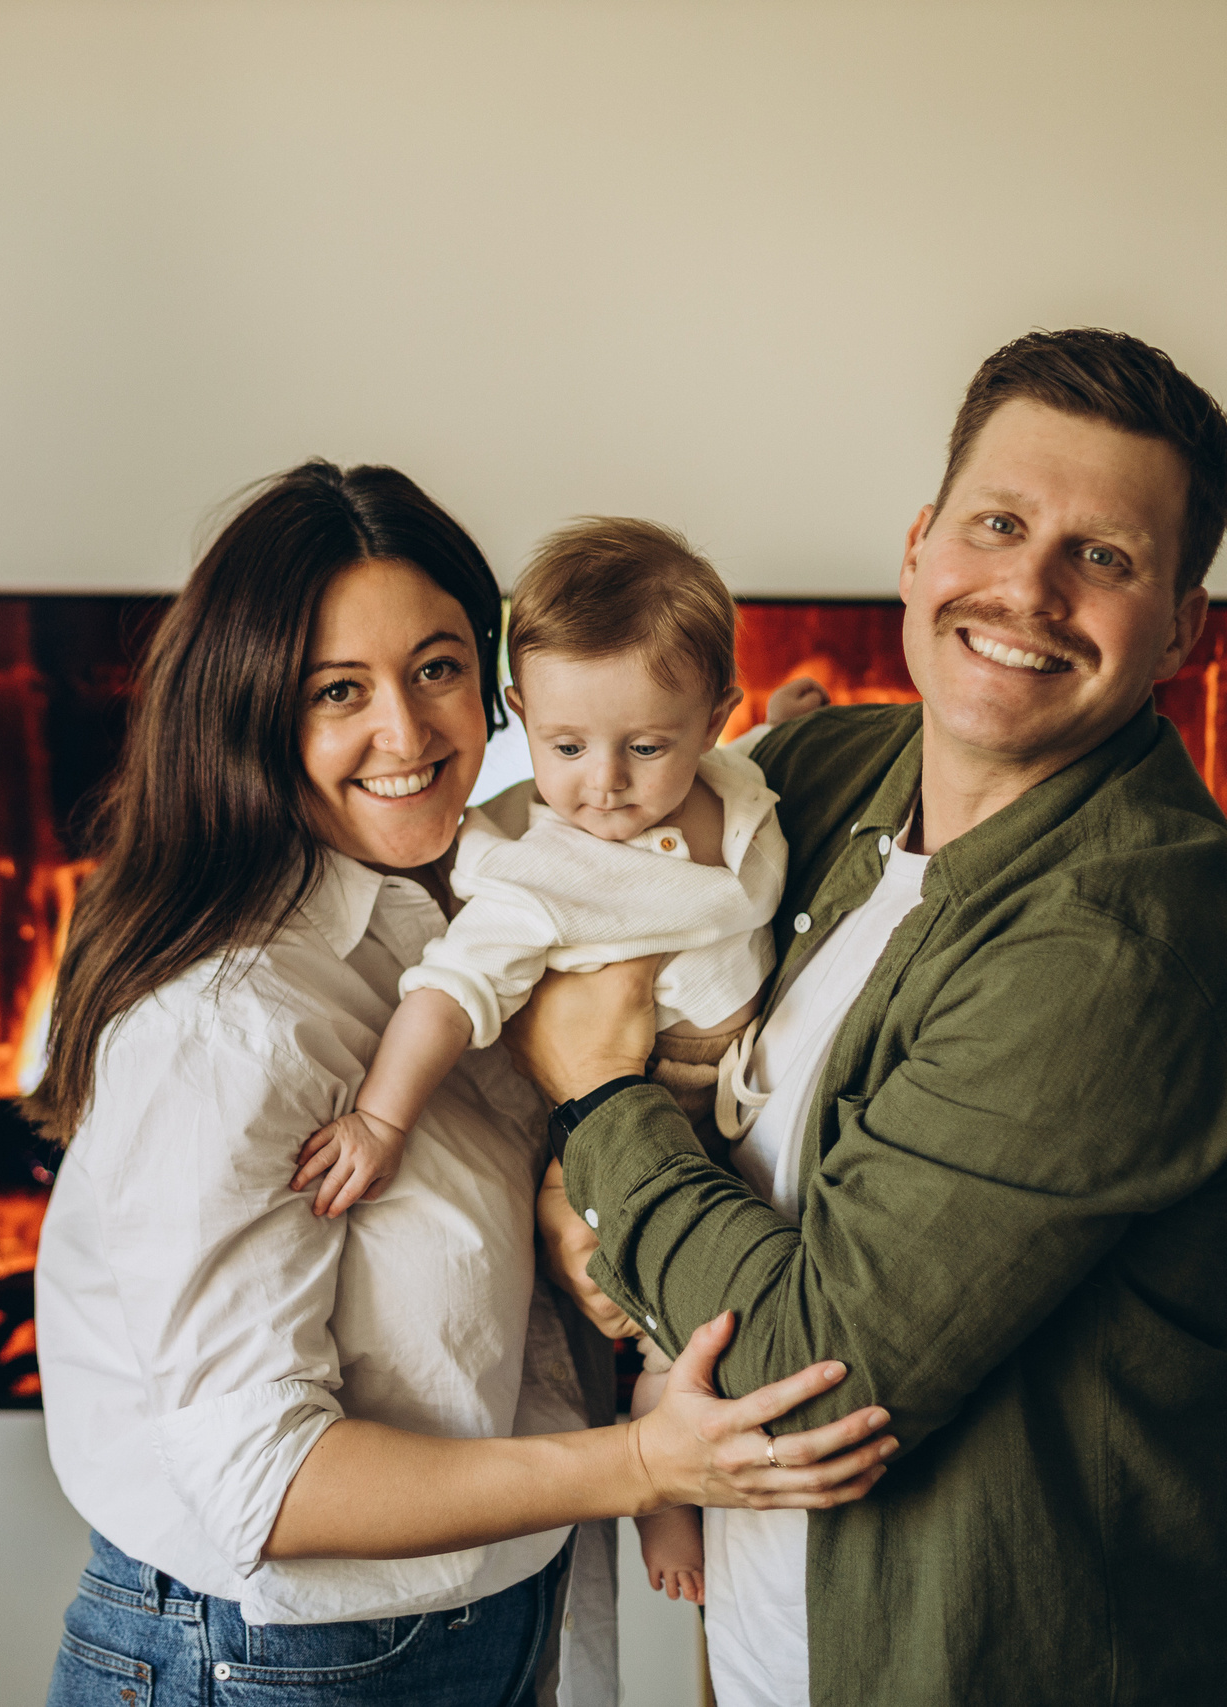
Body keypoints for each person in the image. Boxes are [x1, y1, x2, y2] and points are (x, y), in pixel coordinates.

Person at [30, 461, 898, 1707]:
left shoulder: (462, 891)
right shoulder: (228, 1027)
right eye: (338, 690)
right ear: (249, 711)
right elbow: (265, 1487)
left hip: (481, 1619)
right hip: (279, 1662)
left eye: (435, 669)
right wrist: (645, 1465)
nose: (410, 734)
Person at [517, 329, 1227, 1706]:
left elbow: (810, 1382)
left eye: (1103, 555)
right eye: (998, 524)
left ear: (1182, 626)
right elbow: (559, 829)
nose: (1029, 589)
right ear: (920, 546)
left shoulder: (1114, 944)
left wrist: (596, 1108)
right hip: (780, 1643)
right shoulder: (828, 771)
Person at [284, 517, 818, 1606]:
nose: (604, 784)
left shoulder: (730, 781)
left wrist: (791, 724)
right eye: (566, 748)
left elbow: (749, 767)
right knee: (676, 1316)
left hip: (736, 1093)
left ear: (713, 718)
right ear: (520, 712)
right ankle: (658, 1476)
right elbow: (446, 994)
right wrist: (381, 1118)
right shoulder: (534, 875)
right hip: (633, 1115)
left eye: (646, 747)